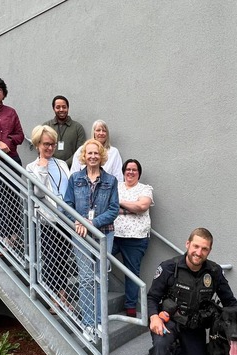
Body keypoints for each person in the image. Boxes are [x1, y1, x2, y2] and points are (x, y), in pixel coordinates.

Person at [64, 139, 119, 338]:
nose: (93, 156)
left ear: (102, 156)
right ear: (84, 156)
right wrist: (78, 223)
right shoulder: (75, 179)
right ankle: (88, 323)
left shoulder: (111, 180)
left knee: (101, 279)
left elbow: (113, 209)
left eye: (96, 153)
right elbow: (66, 205)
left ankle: (100, 321)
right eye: (90, 153)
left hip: (104, 232)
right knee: (86, 279)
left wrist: (91, 224)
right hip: (80, 234)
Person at [26, 125, 72, 310]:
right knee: (52, 259)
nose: (49, 148)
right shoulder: (31, 167)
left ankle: (61, 296)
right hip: (47, 219)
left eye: (52, 144)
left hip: (66, 218)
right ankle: (56, 299)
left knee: (63, 258)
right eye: (46, 144)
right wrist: (43, 168)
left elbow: (69, 188)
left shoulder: (61, 164)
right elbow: (37, 191)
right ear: (37, 144)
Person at [112, 159, 153, 317]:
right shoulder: (115, 187)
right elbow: (108, 207)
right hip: (113, 235)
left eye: (134, 170)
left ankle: (130, 308)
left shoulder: (145, 189)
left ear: (139, 173)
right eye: (128, 169)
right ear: (123, 172)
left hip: (136, 238)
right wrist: (131, 207)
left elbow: (142, 206)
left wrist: (119, 203)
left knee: (131, 272)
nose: (130, 172)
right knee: (99, 261)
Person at [43, 95, 86, 167]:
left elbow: (81, 151)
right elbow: (41, 148)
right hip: (50, 167)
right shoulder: (46, 126)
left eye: (64, 107)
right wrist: (53, 164)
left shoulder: (78, 128)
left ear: (68, 108)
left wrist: (65, 164)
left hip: (71, 169)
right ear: (53, 109)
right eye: (58, 107)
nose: (61, 109)